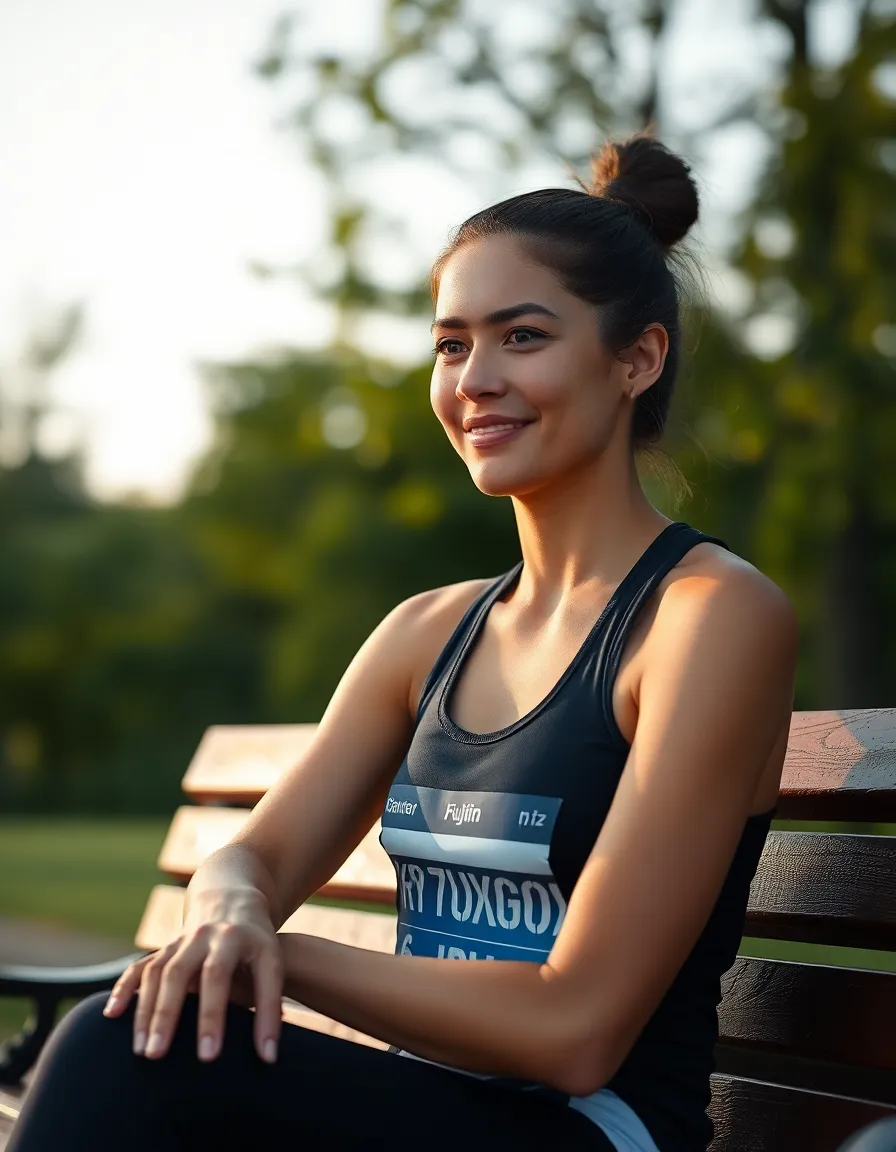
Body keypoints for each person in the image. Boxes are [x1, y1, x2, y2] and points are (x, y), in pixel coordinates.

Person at [9, 132, 798, 1152]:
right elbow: (249, 855)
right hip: (422, 1111)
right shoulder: (425, 634)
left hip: (584, 1131)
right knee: (132, 1049)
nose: (474, 377)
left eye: (522, 337)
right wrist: (235, 911)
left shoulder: (705, 618)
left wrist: (286, 960)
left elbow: (576, 1030)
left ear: (635, 359)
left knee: (121, 1059)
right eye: (449, 343)